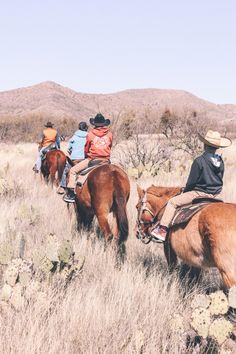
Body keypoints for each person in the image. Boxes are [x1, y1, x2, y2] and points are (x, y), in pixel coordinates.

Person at [150, 130, 232, 242]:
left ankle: (162, 230)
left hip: (198, 193)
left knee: (173, 202)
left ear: (205, 145)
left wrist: (185, 191)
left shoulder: (199, 161)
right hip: (215, 196)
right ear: (216, 147)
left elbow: (192, 182)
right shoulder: (220, 162)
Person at [63, 113, 112, 203]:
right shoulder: (109, 134)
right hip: (106, 160)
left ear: (95, 124)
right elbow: (110, 146)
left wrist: (87, 155)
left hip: (93, 160)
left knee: (73, 171)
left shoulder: (90, 134)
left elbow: (86, 148)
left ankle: (70, 194)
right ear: (104, 124)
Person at [57, 121, 88, 194]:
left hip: (75, 160)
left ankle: (63, 187)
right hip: (85, 159)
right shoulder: (89, 136)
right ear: (86, 128)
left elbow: (69, 149)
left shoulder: (74, 137)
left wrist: (72, 152)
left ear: (79, 128)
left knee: (65, 170)